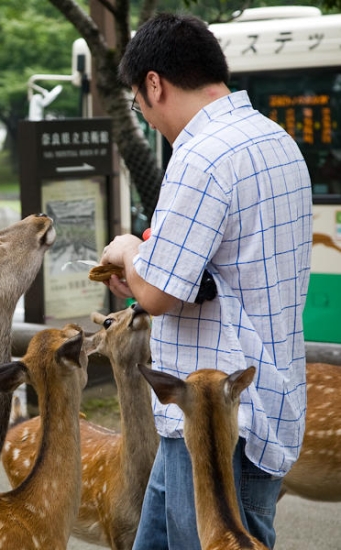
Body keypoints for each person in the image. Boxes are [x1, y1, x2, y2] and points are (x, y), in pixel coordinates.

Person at [101, 13, 313, 549]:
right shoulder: (277, 140)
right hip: (266, 400)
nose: (146, 118)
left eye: (137, 103)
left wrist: (128, 252)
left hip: (213, 425)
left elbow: (155, 293)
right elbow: (229, 271)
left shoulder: (200, 157)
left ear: (155, 83)